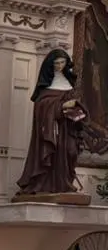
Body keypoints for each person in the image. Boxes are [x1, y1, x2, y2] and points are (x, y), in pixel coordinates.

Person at [16, 48, 108, 195]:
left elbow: (78, 103)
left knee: (71, 152)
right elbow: (41, 107)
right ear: (51, 65)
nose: (59, 66)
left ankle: (64, 184)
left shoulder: (70, 84)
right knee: (52, 156)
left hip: (68, 128)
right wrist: (62, 106)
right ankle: (48, 186)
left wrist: (78, 110)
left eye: (62, 62)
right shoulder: (46, 87)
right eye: (56, 63)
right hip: (53, 131)